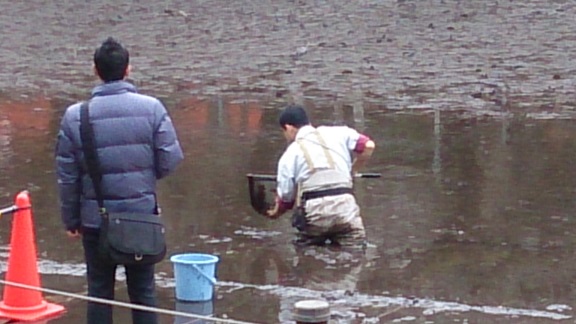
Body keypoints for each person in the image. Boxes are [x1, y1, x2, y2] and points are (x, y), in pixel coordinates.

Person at [55, 37, 184, 324]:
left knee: (99, 293)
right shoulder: (152, 108)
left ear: (95, 70)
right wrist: (143, 179)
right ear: (128, 69)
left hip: (95, 221)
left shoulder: (76, 116)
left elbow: (68, 176)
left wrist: (71, 219)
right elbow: (170, 159)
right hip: (140, 218)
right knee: (144, 293)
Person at [266, 105, 375, 248]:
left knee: (307, 257)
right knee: (354, 255)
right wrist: (351, 172)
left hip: (315, 213)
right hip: (345, 208)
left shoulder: (290, 154)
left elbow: (286, 198)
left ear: (288, 128)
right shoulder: (339, 132)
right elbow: (368, 145)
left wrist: (275, 212)